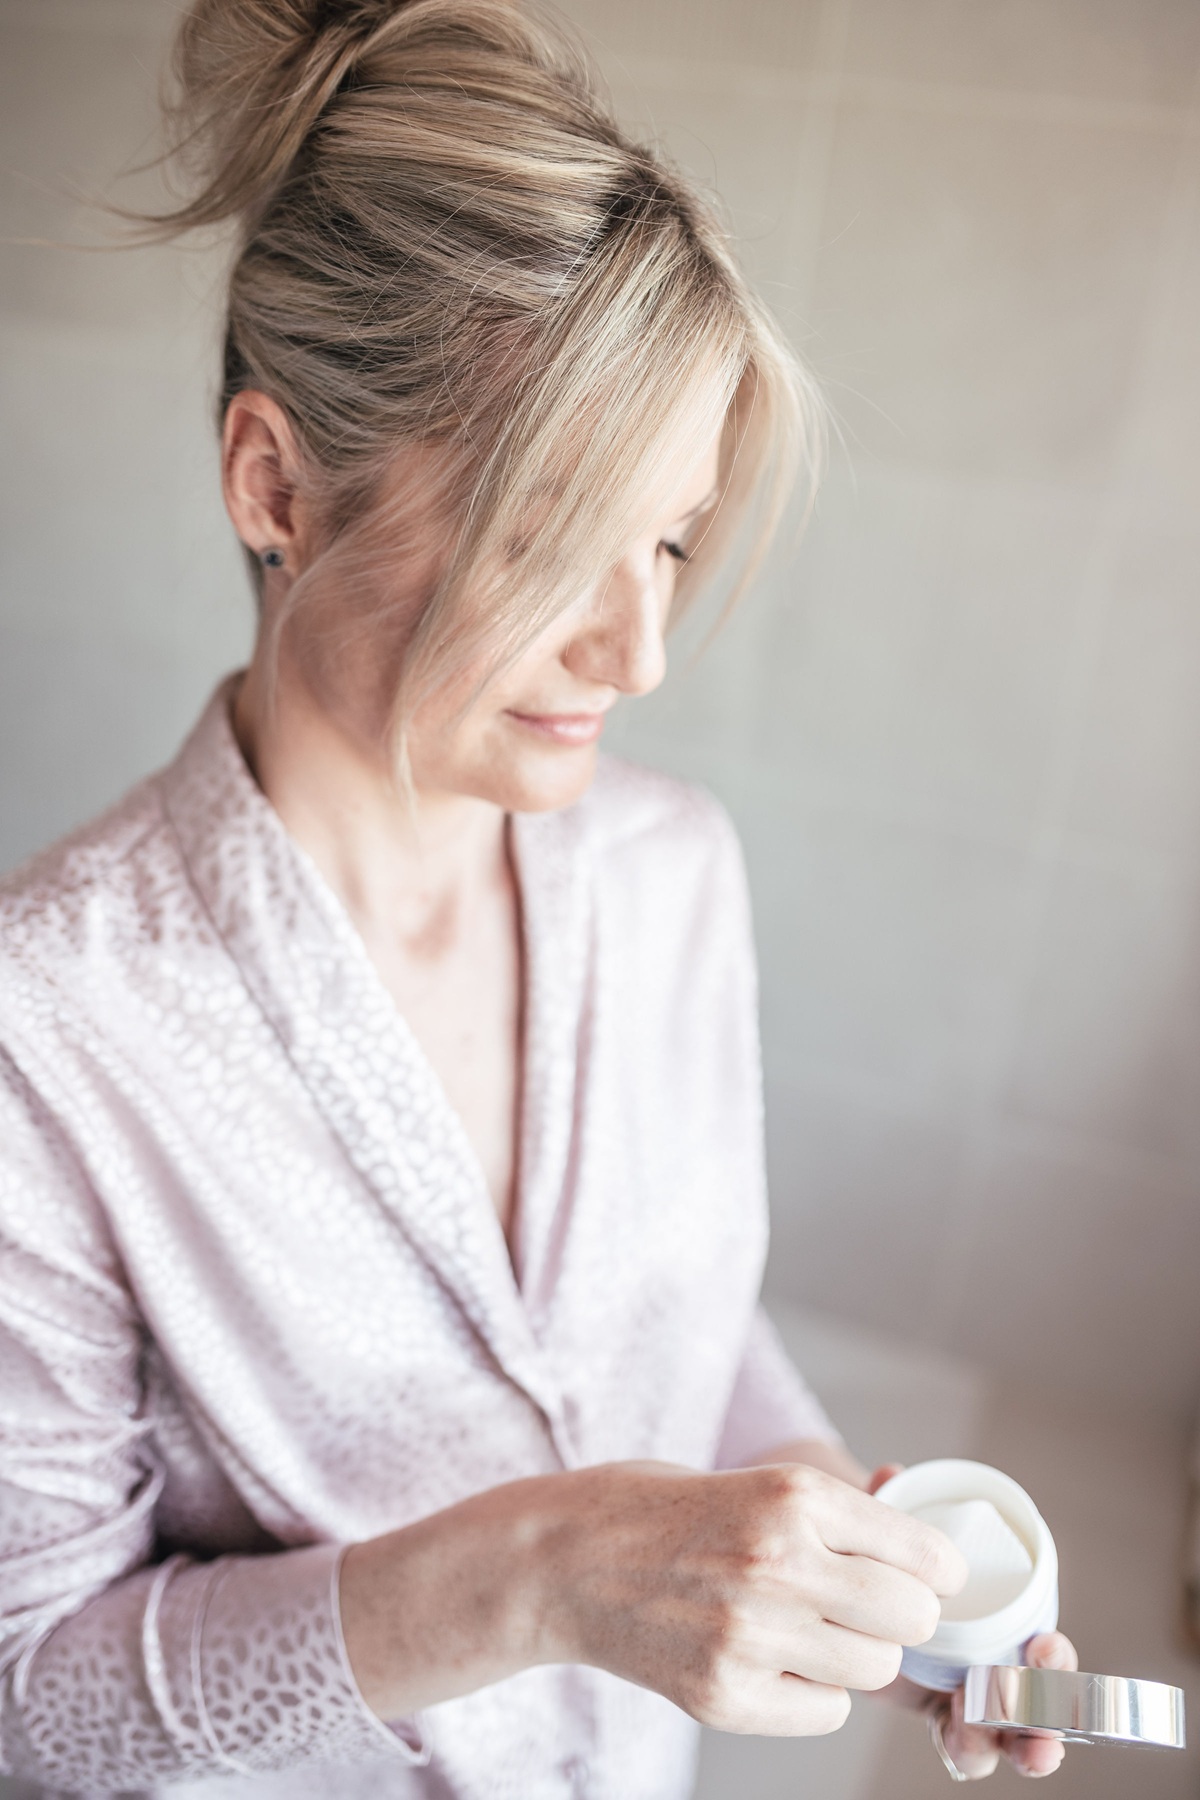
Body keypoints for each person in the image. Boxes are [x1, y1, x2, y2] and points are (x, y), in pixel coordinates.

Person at [0, 1, 1076, 1793]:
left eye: (668, 538)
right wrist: (544, 1573)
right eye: (558, 534)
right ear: (276, 484)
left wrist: (838, 1549)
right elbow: (29, 1694)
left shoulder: (672, 874)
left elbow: (673, 1325)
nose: (640, 648)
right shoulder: (48, 1034)